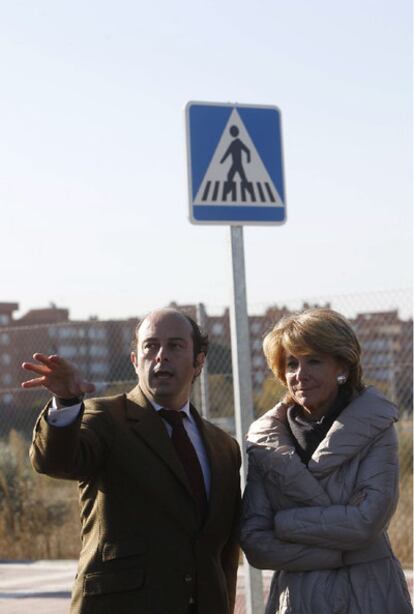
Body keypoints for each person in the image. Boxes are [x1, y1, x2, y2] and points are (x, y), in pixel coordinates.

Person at [22, 308, 241, 614]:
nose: (161, 355)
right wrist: (68, 403)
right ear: (136, 361)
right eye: (150, 346)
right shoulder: (106, 418)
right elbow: (55, 461)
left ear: (199, 361)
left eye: (175, 346)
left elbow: (224, 553)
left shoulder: (224, 447)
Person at [240, 308, 412, 614]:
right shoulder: (265, 441)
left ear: (342, 366)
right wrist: (340, 553)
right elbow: (255, 543)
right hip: (294, 601)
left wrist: (284, 523)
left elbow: (365, 523)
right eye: (292, 363)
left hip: (370, 596)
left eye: (313, 361)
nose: (300, 374)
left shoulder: (377, 426)